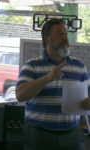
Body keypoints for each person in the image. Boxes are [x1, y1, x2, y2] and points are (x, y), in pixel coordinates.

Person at [15, 18, 90, 150]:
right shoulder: (32, 66)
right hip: (39, 135)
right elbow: (20, 95)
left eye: (66, 33)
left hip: (72, 134)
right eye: (60, 34)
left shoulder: (79, 66)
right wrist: (47, 78)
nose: (65, 38)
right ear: (47, 38)